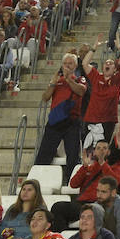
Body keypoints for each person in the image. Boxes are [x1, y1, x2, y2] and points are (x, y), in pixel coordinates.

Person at [35, 53, 87, 184]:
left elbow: (81, 91)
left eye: (70, 64)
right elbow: (45, 97)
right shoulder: (56, 80)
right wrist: (53, 83)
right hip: (55, 121)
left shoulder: (80, 79)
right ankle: (38, 181)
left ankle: (70, 181)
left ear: (75, 66)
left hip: (72, 121)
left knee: (73, 154)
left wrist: (69, 79)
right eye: (65, 63)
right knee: (44, 153)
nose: (67, 66)